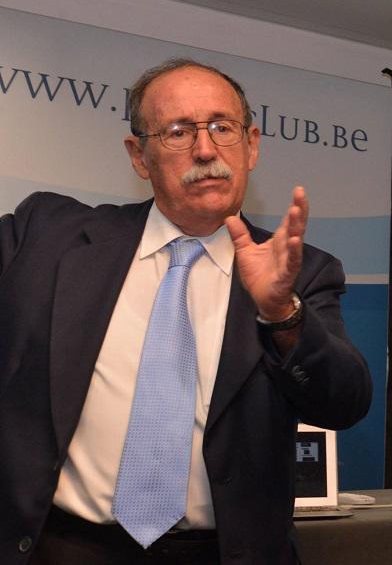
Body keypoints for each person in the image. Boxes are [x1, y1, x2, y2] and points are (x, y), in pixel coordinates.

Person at [0, 58, 373, 564]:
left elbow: (343, 404)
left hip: (220, 554)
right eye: (178, 132)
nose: (205, 149)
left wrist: (282, 314)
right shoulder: (48, 237)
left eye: (222, 127)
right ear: (139, 155)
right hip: (64, 548)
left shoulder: (302, 273)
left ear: (251, 145)